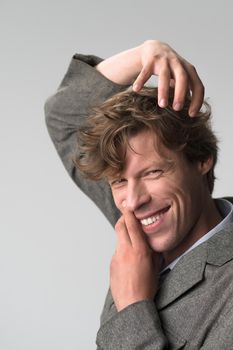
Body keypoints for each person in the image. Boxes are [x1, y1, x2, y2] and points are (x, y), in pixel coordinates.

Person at [45, 40, 233, 349]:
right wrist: (145, 54)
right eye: (118, 181)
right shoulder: (142, 222)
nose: (132, 202)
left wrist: (133, 306)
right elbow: (64, 115)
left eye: (152, 173)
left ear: (201, 159)